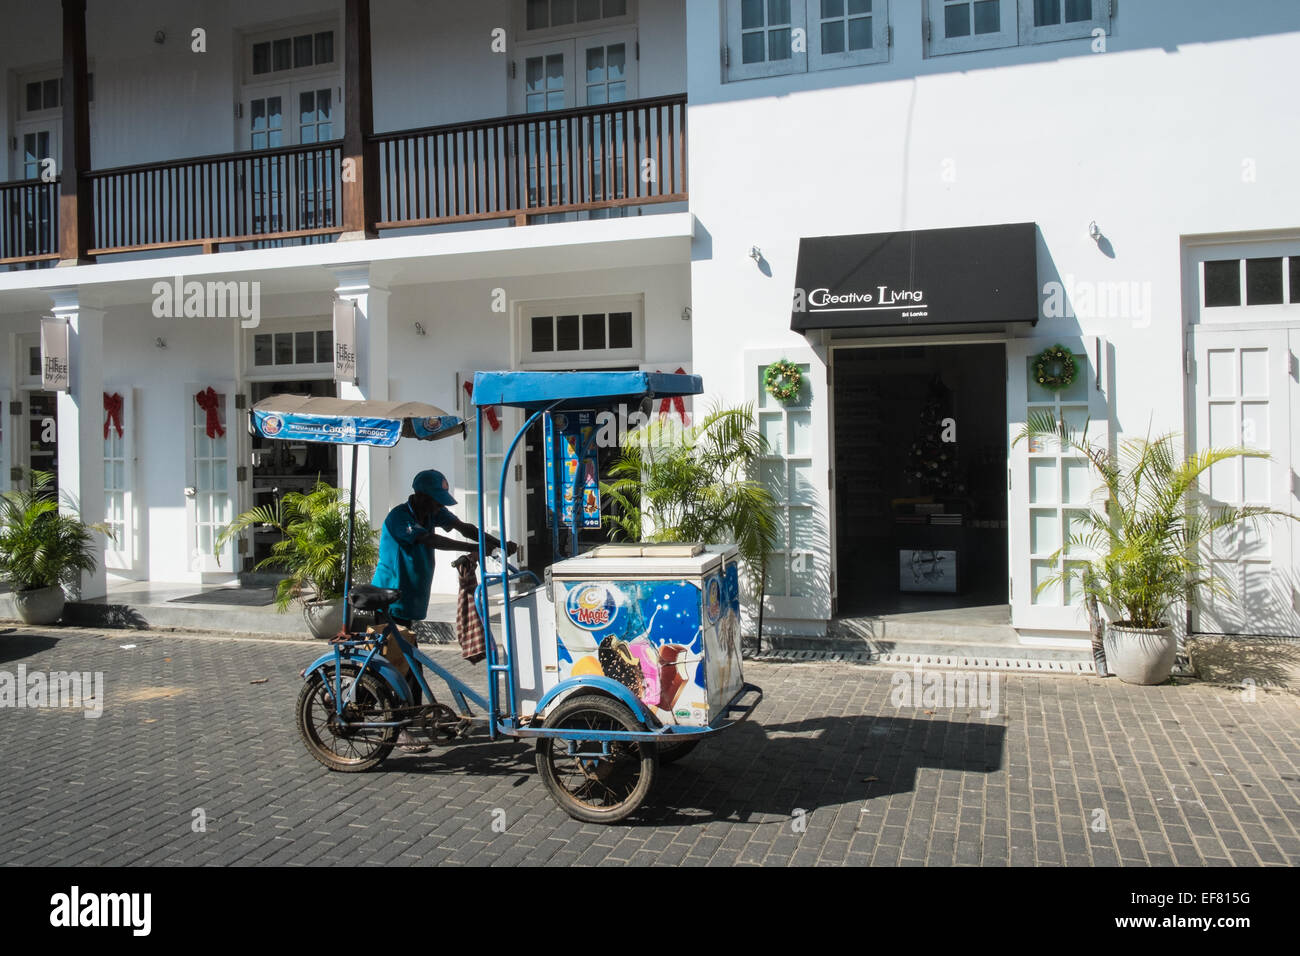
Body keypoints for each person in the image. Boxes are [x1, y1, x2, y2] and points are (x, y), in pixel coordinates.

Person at [371, 468, 515, 751]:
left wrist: (496, 544)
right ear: (421, 496)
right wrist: (479, 548)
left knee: (411, 665)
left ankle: (410, 718)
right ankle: (395, 729)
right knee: (398, 666)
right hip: (390, 600)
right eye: (436, 500)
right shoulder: (400, 517)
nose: (439, 506)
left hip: (411, 600)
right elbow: (432, 541)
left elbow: (464, 527)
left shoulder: (432, 513)